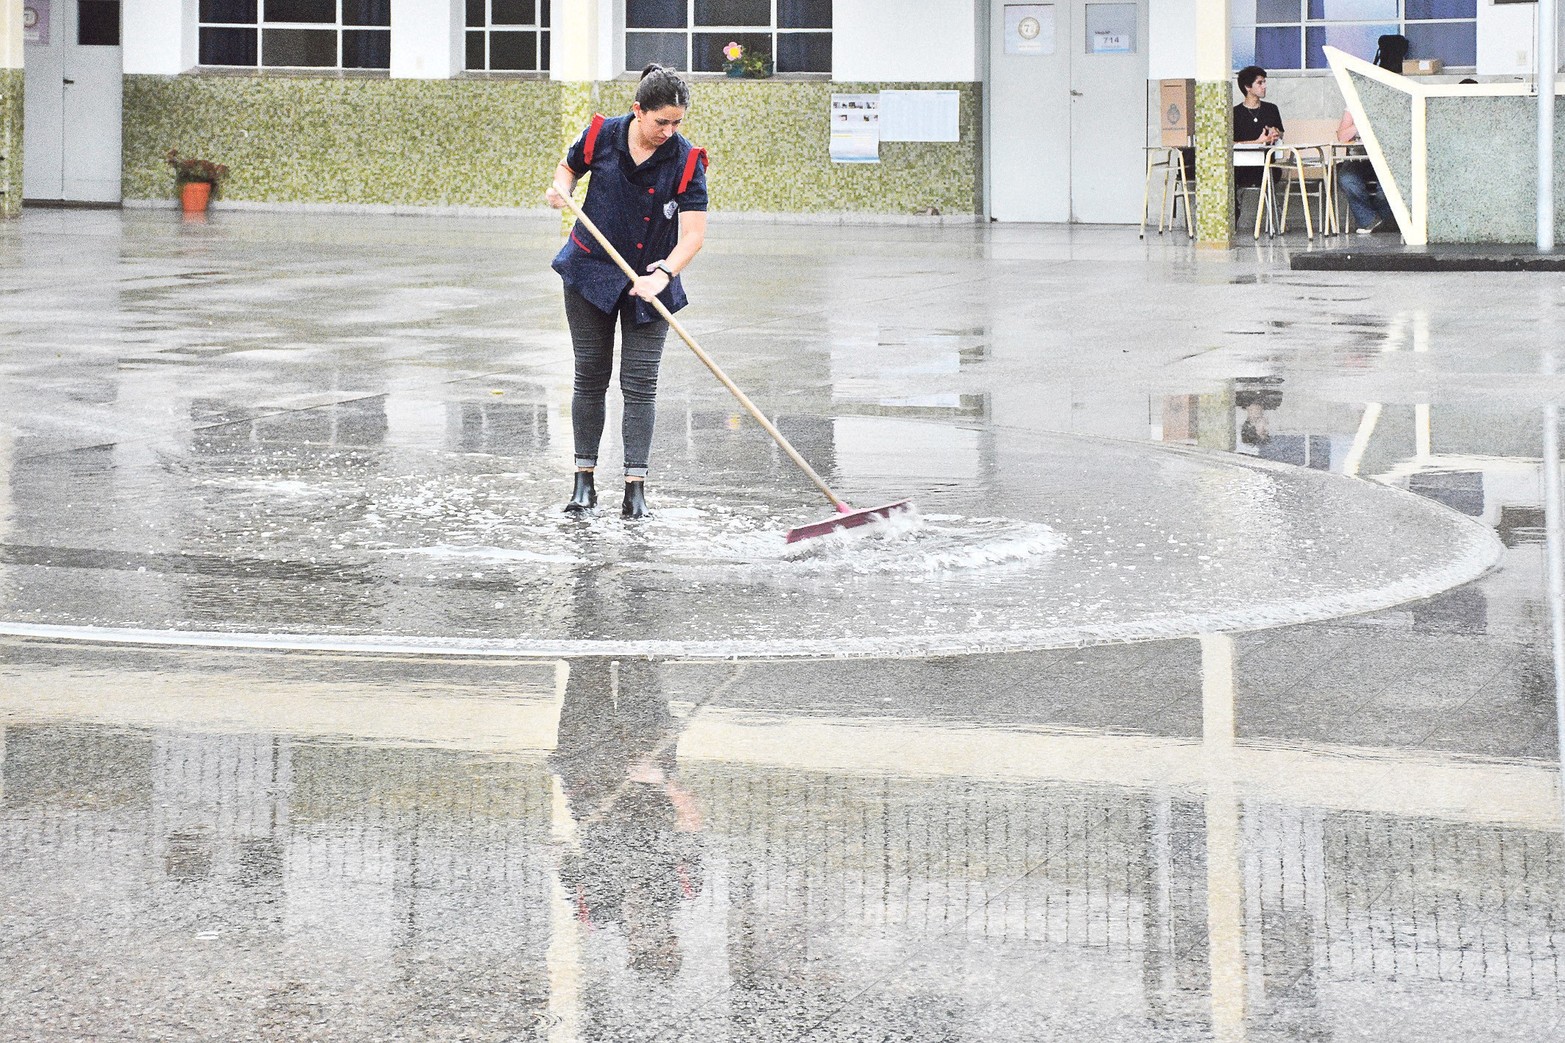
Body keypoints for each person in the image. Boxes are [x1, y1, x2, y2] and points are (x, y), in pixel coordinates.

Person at [546, 65, 709, 520]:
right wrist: (562, 188)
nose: (669, 131)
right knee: (590, 375)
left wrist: (663, 274)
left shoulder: (687, 160)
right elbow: (568, 168)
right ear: (638, 110)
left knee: (640, 385)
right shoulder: (602, 135)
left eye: (677, 122)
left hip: (650, 281)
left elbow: (693, 235)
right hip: (590, 271)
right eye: (662, 122)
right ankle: (583, 481)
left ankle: (635, 487)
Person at [1335, 35, 1406, 234]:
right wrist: (1361, 122)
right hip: (1359, 158)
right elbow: (1342, 137)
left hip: (1388, 158)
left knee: (1389, 188)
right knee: (1347, 179)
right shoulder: (1355, 103)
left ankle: (1383, 221)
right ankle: (1371, 220)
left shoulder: (1397, 102)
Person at [1233, 66, 1283, 147]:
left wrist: (1275, 133)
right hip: (1243, 158)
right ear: (1247, 87)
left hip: (1268, 158)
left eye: (1264, 82)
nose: (1264, 86)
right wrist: (1258, 142)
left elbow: (1281, 134)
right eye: (1259, 83)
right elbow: (1230, 144)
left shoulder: (1271, 109)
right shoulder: (1235, 113)